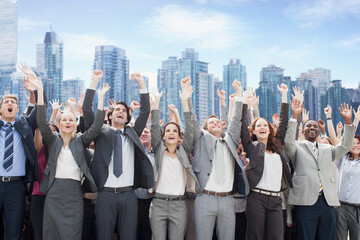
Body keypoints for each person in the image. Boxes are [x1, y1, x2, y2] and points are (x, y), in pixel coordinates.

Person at [30, 75, 108, 240]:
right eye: (64, 119)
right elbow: (42, 122)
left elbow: (96, 127)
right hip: (53, 193)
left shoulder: (81, 140)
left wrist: (99, 97)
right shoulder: (52, 140)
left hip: (74, 195)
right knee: (51, 235)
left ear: (75, 124)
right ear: (59, 124)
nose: (67, 122)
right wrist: (40, 90)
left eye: (70, 120)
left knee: (71, 234)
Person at [84, 72, 153, 240]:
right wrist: (94, 82)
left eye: (123, 110)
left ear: (128, 117)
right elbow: (87, 110)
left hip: (129, 195)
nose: (120, 112)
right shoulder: (100, 132)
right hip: (105, 195)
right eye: (117, 110)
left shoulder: (133, 133)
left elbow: (144, 111)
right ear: (110, 115)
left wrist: (141, 83)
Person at [284, 101, 356, 240]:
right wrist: (294, 115)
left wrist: (348, 121)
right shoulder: (296, 148)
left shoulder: (328, 149)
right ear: (303, 130)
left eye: (315, 126)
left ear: (318, 131)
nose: (312, 127)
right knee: (306, 236)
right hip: (305, 201)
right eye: (308, 125)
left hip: (327, 201)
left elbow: (347, 145)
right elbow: (288, 143)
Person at [190, 77, 249, 240]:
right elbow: (192, 123)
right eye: (211, 122)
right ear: (206, 128)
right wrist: (187, 99)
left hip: (227, 200)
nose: (215, 123)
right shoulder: (201, 139)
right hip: (205, 198)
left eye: (218, 122)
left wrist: (238, 95)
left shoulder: (230, 139)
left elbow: (236, 120)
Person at [241, 84, 292, 240]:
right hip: (257, 198)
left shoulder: (277, 145)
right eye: (258, 126)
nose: (262, 127)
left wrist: (284, 95)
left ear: (270, 129)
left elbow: (283, 123)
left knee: (277, 236)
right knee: (255, 235)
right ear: (254, 131)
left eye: (265, 125)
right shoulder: (252, 147)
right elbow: (242, 126)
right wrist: (245, 102)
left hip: (276, 199)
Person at [149, 86, 200, 240]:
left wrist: (185, 102)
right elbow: (154, 127)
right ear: (163, 136)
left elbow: (190, 130)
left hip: (179, 205)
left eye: (174, 131)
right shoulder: (159, 150)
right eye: (168, 131)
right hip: (158, 203)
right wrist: (156, 102)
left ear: (179, 137)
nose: (171, 133)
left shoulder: (183, 151)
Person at [0, 71, 39, 240]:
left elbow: (38, 112)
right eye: (6, 102)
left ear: (17, 109)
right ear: (1, 108)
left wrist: (34, 92)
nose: (10, 103)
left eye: (13, 102)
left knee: (13, 233)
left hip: (16, 187)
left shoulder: (24, 125)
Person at [135, 127, 155, 240]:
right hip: (135, 201)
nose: (143, 134)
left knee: (149, 233)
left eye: (146, 132)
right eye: (141, 132)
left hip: (152, 201)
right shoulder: (133, 153)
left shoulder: (157, 155)